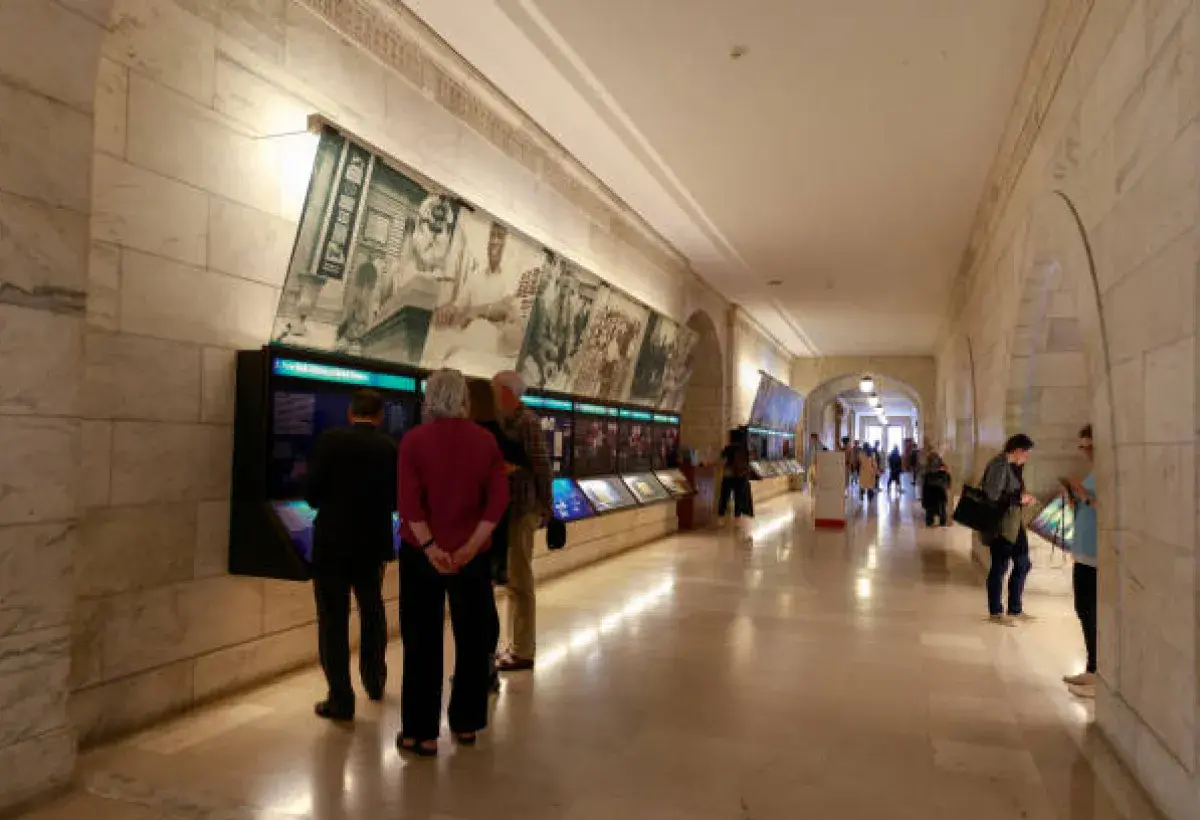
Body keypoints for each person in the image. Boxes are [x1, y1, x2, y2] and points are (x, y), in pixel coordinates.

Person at [396, 369, 509, 757]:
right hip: (471, 557)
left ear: (429, 399)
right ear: (464, 399)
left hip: (420, 555)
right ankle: (466, 723)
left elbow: (409, 502)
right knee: (473, 639)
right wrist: (469, 548)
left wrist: (430, 548)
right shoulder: (485, 441)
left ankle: (419, 732)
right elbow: (497, 501)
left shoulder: (413, 441)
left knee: (421, 640)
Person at [305, 389, 397, 721]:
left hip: (332, 543)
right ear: (379, 416)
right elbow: (396, 498)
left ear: (350, 413)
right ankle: (374, 680)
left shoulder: (330, 442)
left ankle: (340, 698)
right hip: (372, 545)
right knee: (372, 610)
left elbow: (312, 493)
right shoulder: (388, 447)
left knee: (333, 618)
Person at [466, 379, 528, 694]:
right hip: (496, 528)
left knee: (474, 603)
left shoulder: (472, 438)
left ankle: (479, 668)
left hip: (471, 531)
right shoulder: (504, 439)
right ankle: (487, 665)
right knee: (485, 599)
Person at [492, 370, 553, 672]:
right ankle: (514, 643)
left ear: (508, 392)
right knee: (511, 580)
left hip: (522, 508)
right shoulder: (504, 422)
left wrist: (546, 504)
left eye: (495, 388)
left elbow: (541, 465)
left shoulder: (527, 422)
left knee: (520, 580)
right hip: (504, 510)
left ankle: (524, 649)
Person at [981, 434, 1037, 625]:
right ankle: (995, 612)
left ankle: (1015, 608)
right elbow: (992, 495)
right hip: (1001, 525)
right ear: (1018, 450)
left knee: (1023, 563)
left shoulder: (1016, 467)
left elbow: (1012, 491)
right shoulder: (999, 465)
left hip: (1015, 522)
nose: (1027, 458)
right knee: (999, 567)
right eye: (1026, 453)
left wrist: (1023, 498)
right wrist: (1018, 499)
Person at [1063, 425, 1097, 697]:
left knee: (1090, 610)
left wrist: (1082, 494)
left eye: (1088, 447)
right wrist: (1076, 499)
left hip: (1096, 555)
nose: (1085, 453)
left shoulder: (1107, 473)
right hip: (1084, 550)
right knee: (1084, 609)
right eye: (1082, 447)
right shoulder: (1096, 472)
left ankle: (1096, 669)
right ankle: (1092, 666)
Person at [719, 428, 754, 530]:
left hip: (728, 475)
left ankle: (721, 517)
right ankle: (737, 519)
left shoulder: (728, 448)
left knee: (724, 496)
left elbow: (722, 458)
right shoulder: (744, 449)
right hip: (740, 476)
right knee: (738, 497)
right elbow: (748, 462)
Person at [921, 449, 951, 526]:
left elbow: (925, 480)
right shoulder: (943, 466)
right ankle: (942, 521)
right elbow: (947, 477)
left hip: (931, 491)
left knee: (930, 508)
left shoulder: (927, 468)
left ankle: (930, 521)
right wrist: (947, 484)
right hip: (940, 489)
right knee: (942, 506)